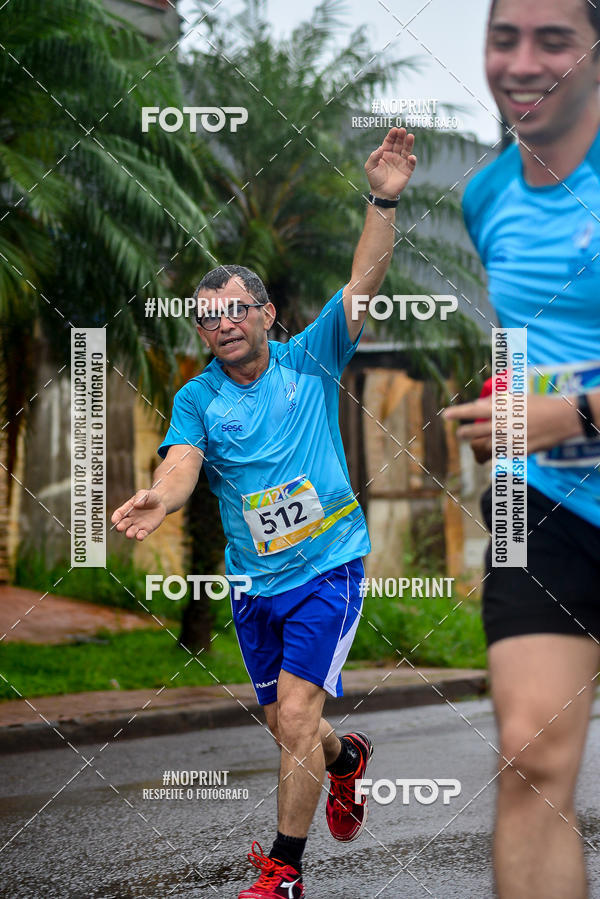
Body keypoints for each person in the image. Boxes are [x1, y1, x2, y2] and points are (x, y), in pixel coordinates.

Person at [112, 128, 417, 898]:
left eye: (236, 309)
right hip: (253, 584)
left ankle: (284, 871)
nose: (223, 324)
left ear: (268, 313)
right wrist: (161, 493)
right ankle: (346, 760)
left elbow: (364, 284)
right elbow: (182, 464)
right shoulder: (197, 398)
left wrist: (382, 198)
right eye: (208, 316)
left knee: (293, 715)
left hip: (327, 565)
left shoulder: (310, 359)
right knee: (292, 727)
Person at [444, 1, 600, 896]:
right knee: (529, 753)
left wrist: (573, 414)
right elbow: (529, 346)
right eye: (505, 37)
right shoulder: (486, 194)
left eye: (553, 39)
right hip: (539, 500)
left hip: (563, 442)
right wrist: (508, 415)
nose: (521, 61)